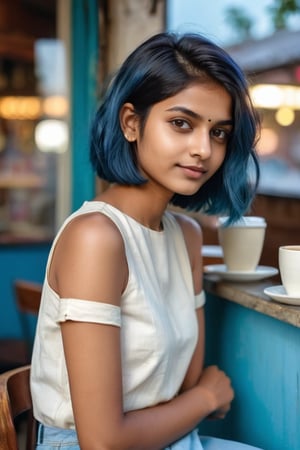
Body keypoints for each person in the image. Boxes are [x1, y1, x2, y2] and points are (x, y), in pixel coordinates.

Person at [30, 32, 263, 450]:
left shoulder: (186, 236)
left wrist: (197, 396)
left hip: (171, 437)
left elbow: (179, 386)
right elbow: (102, 441)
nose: (203, 150)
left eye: (220, 133)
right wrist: (207, 397)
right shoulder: (96, 238)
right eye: (181, 123)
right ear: (131, 123)